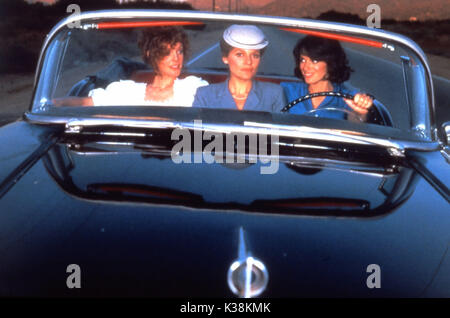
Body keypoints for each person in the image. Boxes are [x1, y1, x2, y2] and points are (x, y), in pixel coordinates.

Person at [54, 26, 207, 107]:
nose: (176, 58)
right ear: (150, 54)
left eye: (179, 51)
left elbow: (224, 102)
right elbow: (85, 103)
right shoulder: (127, 91)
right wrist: (54, 104)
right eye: (167, 52)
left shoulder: (193, 87)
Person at [193, 25, 285, 112]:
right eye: (240, 54)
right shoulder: (205, 95)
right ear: (225, 58)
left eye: (255, 55)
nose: (248, 61)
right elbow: (196, 128)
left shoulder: (274, 94)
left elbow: (282, 127)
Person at [280, 35, 373, 121]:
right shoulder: (286, 90)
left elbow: (355, 126)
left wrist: (360, 113)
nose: (305, 67)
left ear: (330, 63)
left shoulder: (348, 97)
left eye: (314, 61)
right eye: (303, 60)